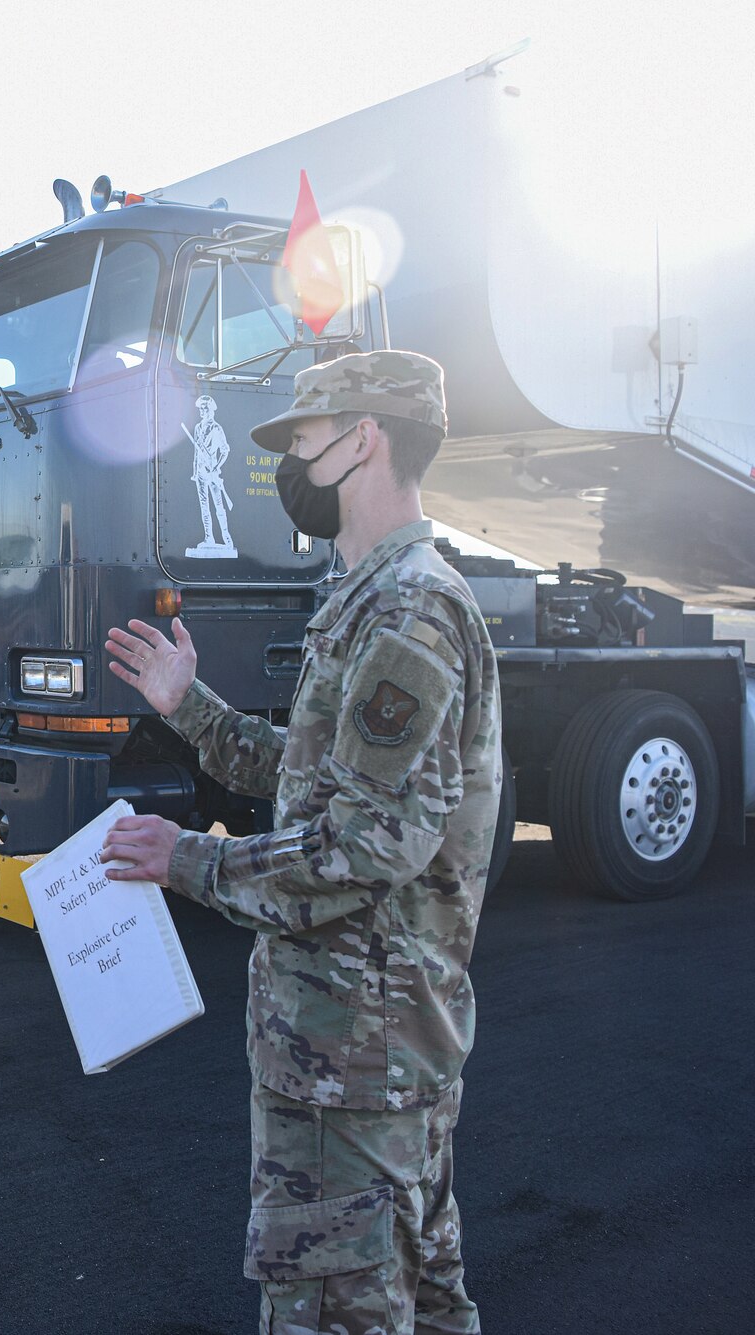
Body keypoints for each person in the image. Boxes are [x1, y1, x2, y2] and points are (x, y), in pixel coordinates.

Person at [101, 350, 499, 1335]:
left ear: (361, 438)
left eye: (300, 441)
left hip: (351, 1071)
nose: (288, 465)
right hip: (372, 1061)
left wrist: (185, 859)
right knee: (425, 1306)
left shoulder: (406, 607)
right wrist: (185, 709)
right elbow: (318, 779)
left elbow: (362, 846)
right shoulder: (373, 594)